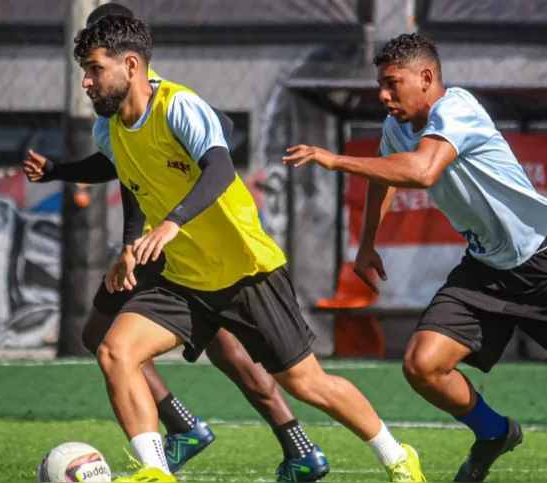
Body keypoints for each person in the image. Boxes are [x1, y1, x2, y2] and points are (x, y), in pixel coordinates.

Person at [284, 32, 547, 482]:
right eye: (381, 85)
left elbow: (423, 171)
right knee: (422, 366)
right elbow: (385, 177)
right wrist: (367, 244)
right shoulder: (397, 127)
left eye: (392, 83)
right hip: (486, 267)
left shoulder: (458, 110)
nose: (383, 95)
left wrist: (336, 160)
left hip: (543, 262)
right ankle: (494, 433)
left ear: (426, 77)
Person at [72, 15, 425, 483]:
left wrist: (174, 223)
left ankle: (399, 457)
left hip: (247, 272)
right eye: (84, 70)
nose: (86, 81)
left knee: (307, 383)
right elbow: (136, 186)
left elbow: (220, 169)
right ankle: (155, 473)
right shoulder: (110, 130)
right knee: (115, 351)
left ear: (131, 65)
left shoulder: (180, 107)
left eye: (95, 69)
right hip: (185, 280)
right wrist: (130, 248)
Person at [23, 3, 329, 481]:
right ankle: (225, 434)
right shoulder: (113, 108)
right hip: (157, 243)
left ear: (127, 50)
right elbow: (122, 169)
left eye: (97, 47)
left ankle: (273, 442)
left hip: (185, 241)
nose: (88, 71)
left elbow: (214, 146)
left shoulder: (158, 97)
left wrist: (136, 239)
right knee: (113, 338)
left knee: (221, 347)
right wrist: (61, 173)